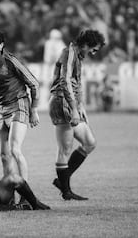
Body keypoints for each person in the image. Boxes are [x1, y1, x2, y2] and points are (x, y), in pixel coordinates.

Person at [0, 29, 40, 191]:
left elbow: (34, 84)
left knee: (15, 150)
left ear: (1, 45)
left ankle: (26, 196)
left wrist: (34, 109)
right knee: (4, 155)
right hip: (3, 109)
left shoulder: (10, 61)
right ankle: (9, 193)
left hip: (19, 104)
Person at [48, 29, 105, 200]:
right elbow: (65, 81)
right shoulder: (69, 53)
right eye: (93, 49)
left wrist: (80, 107)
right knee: (65, 149)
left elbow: (76, 83)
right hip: (62, 102)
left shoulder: (77, 55)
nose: (93, 53)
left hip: (70, 104)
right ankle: (66, 191)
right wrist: (73, 108)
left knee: (89, 143)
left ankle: (62, 181)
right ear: (86, 45)